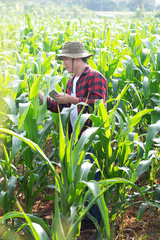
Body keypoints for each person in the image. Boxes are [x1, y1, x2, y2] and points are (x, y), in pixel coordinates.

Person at [38, 41, 108, 234]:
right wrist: (47, 101)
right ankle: (87, 220)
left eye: (65, 59)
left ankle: (96, 224)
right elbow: (65, 108)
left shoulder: (95, 77)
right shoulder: (71, 82)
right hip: (75, 138)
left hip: (91, 137)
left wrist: (73, 99)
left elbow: (98, 105)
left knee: (92, 178)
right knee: (80, 179)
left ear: (77, 59)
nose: (63, 64)